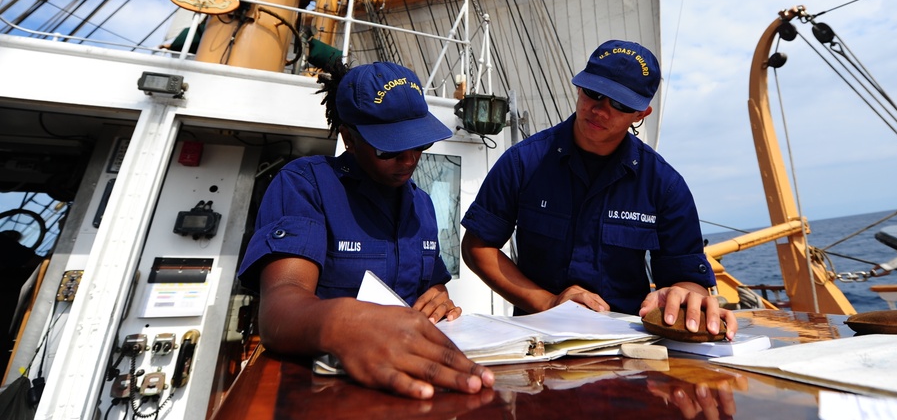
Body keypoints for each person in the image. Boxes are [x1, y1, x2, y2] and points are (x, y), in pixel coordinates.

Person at [238, 61, 494, 398]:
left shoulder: (422, 206)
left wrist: (440, 300)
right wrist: (341, 322)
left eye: (420, 144)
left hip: (410, 384)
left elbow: (432, 287)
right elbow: (277, 311)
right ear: (349, 138)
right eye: (389, 148)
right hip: (324, 391)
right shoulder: (306, 185)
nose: (409, 160)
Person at [461, 40, 736, 339]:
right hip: (538, 339)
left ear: (641, 113)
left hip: (628, 342)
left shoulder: (665, 185)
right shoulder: (522, 162)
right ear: (579, 89)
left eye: (620, 104)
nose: (601, 110)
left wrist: (682, 296)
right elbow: (478, 247)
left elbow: (686, 279)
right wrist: (550, 303)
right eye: (594, 93)